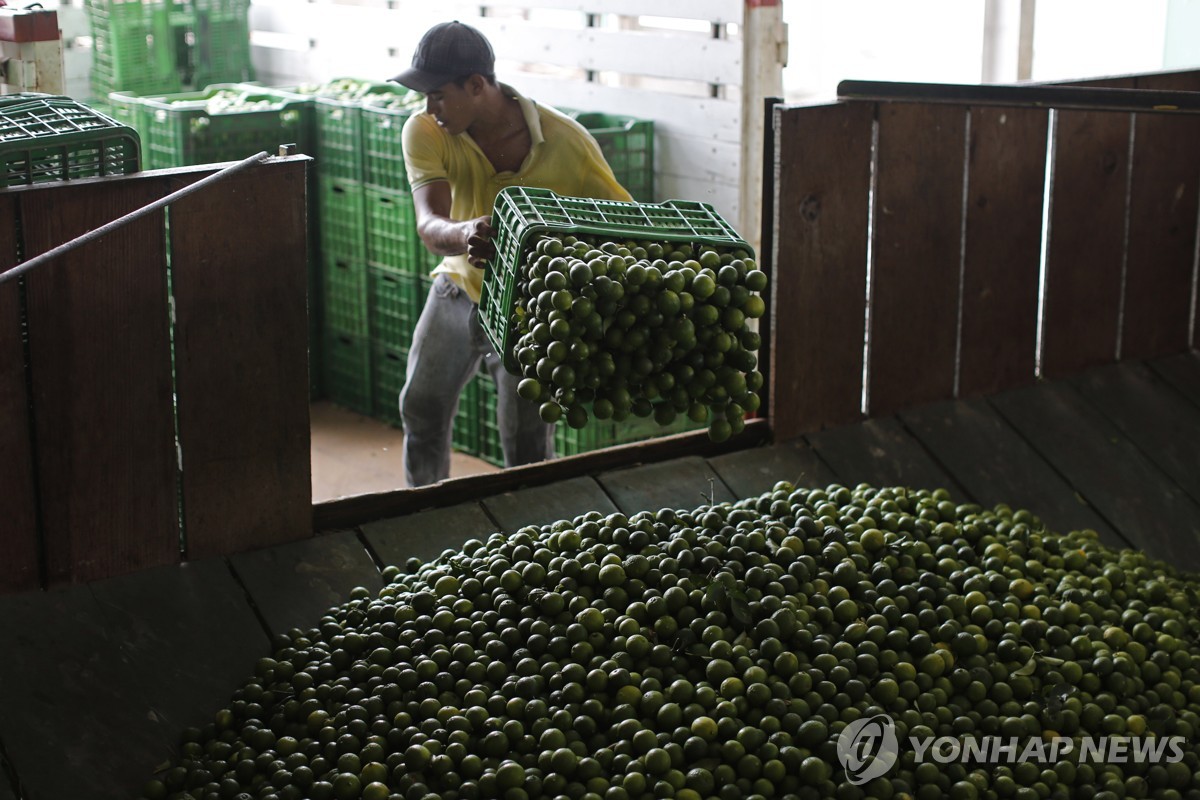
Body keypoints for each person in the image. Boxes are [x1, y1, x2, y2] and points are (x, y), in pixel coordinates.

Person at [391, 20, 632, 487]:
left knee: (525, 445)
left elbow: (618, 226)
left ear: (476, 85)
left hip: (531, 312)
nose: (428, 107)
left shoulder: (569, 144)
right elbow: (429, 222)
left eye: (438, 94)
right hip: (457, 290)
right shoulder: (426, 130)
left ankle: (528, 536)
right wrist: (464, 234)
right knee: (420, 409)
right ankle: (420, 509)